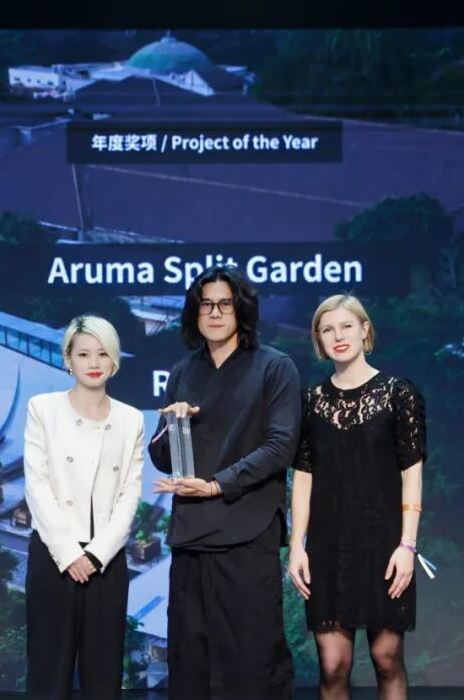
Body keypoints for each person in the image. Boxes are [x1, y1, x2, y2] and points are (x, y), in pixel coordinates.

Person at [150, 266, 300, 700]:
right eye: (205, 304)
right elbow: (164, 458)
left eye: (224, 303)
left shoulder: (275, 367)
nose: (214, 312)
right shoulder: (182, 372)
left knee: (252, 662)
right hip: (192, 535)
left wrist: (217, 485)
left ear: (241, 310)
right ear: (194, 313)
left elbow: (281, 446)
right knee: (190, 662)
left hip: (247, 533)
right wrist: (172, 427)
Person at [288, 295, 427, 700]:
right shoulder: (309, 402)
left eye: (346, 326)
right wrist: (296, 545)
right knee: (333, 666)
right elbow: (303, 478)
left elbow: (412, 473)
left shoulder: (398, 393)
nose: (338, 336)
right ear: (319, 340)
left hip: (385, 545)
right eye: (327, 329)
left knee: (387, 658)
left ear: (365, 330)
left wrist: (408, 545)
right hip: (328, 549)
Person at [24, 315, 145, 700]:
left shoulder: (131, 419)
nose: (94, 362)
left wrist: (95, 555)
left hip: (106, 563)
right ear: (68, 360)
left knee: (104, 678)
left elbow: (130, 494)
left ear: (114, 360)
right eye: (83, 354)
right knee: (48, 675)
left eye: (103, 353)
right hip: (53, 558)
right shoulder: (43, 409)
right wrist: (69, 554)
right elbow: (37, 485)